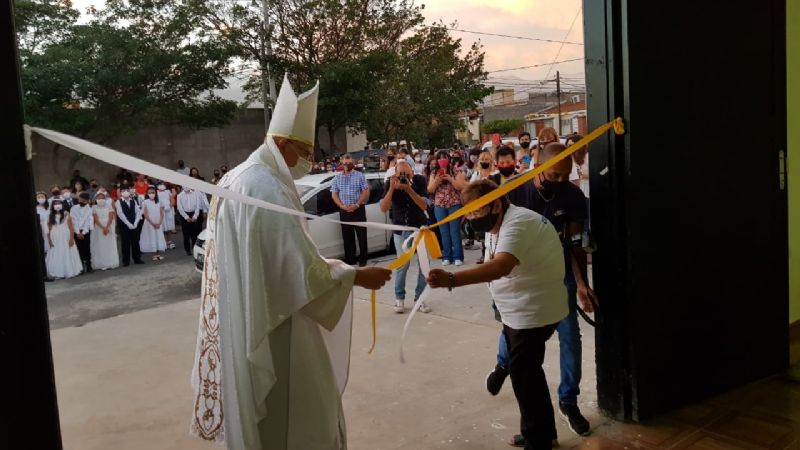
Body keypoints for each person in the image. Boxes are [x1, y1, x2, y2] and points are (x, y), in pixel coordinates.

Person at [189, 76, 391, 449]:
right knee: (300, 415)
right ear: (282, 143)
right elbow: (299, 271)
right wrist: (358, 275)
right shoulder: (264, 186)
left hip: (255, 307)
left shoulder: (241, 176)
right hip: (277, 318)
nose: (309, 161)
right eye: (304, 150)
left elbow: (279, 256)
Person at [427, 180, 567, 450]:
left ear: (496, 204)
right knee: (527, 373)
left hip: (533, 312)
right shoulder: (497, 224)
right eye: (467, 213)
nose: (471, 218)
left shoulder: (518, 223)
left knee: (525, 375)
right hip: (516, 310)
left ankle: (538, 440)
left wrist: (452, 279)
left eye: (476, 212)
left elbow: (500, 266)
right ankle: (541, 432)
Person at [491, 143, 598, 443]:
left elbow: (575, 243)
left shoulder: (573, 196)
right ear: (539, 166)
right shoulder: (514, 191)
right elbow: (495, 235)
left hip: (558, 274)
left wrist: (582, 285)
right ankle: (506, 369)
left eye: (567, 175)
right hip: (521, 276)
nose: (562, 181)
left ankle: (568, 401)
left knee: (569, 336)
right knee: (519, 344)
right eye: (555, 175)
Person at [380, 159, 431, 314]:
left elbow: (424, 205)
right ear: (395, 173)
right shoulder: (390, 182)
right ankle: (399, 298)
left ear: (412, 173)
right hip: (400, 230)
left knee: (424, 265)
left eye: (406, 174)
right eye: (400, 174)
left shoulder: (420, 181)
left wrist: (409, 189)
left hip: (420, 228)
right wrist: (391, 189)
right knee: (403, 265)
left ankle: (420, 298)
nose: (403, 177)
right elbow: (383, 208)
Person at [428, 150, 467, 266]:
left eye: (444, 158)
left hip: (454, 204)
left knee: (454, 231)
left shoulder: (456, 171)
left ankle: (458, 256)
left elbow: (460, 187)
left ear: (449, 159)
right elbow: (430, 189)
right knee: (443, 232)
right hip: (439, 205)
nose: (442, 160)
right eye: (439, 158)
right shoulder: (434, 173)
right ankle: (447, 256)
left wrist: (450, 179)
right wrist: (437, 180)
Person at [330, 154, 370, 267]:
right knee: (347, 236)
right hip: (344, 211)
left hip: (358, 209)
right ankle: (350, 259)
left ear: (353, 163)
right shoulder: (337, 177)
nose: (347, 165)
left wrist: (356, 205)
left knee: (361, 235)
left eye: (349, 163)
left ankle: (363, 259)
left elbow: (365, 192)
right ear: (342, 164)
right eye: (345, 163)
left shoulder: (360, 175)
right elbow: (334, 194)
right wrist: (342, 206)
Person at [46, 199, 83, 279]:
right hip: (55, 236)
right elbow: (49, 229)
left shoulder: (66, 214)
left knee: (67, 251)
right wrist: (49, 240)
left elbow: (71, 227)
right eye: (55, 204)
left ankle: (69, 270)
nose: (57, 205)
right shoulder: (50, 215)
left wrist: (71, 239)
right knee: (56, 252)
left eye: (59, 203)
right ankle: (58, 272)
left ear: (62, 205)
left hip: (66, 235)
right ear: (52, 206)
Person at [90, 190, 119, 270]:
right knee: (100, 245)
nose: (101, 199)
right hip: (98, 228)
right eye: (99, 198)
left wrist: (107, 227)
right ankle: (102, 263)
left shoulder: (109, 206)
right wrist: (103, 228)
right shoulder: (93, 207)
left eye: (102, 198)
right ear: (96, 199)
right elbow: (95, 219)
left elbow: (111, 217)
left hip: (108, 226)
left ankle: (111, 262)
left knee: (109, 245)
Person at [115, 188, 144, 266]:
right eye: (123, 190)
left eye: (127, 190)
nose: (125, 192)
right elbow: (120, 214)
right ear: (120, 193)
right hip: (124, 225)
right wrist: (128, 224)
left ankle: (137, 258)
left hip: (134, 224)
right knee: (125, 242)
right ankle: (126, 260)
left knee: (135, 241)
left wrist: (136, 222)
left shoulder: (133, 201)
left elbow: (138, 212)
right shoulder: (118, 202)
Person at [139, 186, 167, 261]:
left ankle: (158, 254)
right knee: (152, 237)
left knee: (158, 236)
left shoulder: (159, 201)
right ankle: (154, 254)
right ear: (147, 194)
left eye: (153, 192)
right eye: (150, 193)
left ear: (156, 193)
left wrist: (160, 222)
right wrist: (153, 223)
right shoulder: (145, 202)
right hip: (150, 222)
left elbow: (161, 212)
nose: (151, 194)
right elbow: (145, 214)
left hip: (158, 222)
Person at [70, 191, 94, 273]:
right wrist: (77, 232)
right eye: (80, 199)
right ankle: (80, 267)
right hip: (76, 231)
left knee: (87, 249)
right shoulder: (73, 208)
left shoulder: (90, 209)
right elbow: (73, 220)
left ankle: (88, 266)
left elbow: (89, 222)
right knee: (78, 249)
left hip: (85, 232)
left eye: (84, 201)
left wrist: (83, 232)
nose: (81, 202)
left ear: (87, 201)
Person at [177, 186, 202, 256]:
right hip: (184, 215)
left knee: (194, 233)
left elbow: (198, 206)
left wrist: (195, 216)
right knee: (186, 234)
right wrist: (186, 217)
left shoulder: (195, 194)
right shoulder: (179, 196)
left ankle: (195, 248)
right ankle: (187, 250)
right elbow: (179, 207)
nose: (186, 187)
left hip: (193, 213)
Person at [157, 183, 177, 249]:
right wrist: (161, 208)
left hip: (168, 211)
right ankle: (164, 242)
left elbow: (172, 200)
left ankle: (169, 241)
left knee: (169, 227)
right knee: (162, 228)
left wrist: (169, 206)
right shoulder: (156, 192)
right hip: (160, 212)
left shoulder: (168, 191)